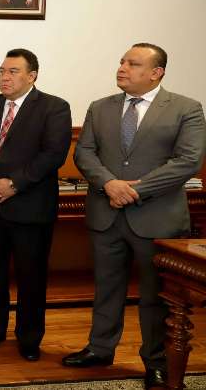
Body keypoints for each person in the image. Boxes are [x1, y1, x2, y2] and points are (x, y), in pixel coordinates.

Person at [63, 43, 206, 390]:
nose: (122, 67)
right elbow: (85, 154)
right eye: (122, 61)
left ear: (156, 73)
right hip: (106, 214)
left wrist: (136, 189)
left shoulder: (186, 108)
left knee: (157, 296)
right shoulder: (100, 108)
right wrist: (110, 184)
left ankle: (156, 362)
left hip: (157, 218)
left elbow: (188, 160)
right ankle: (99, 349)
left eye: (133, 63)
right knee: (106, 288)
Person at [0, 48, 71, 361]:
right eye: (1, 71)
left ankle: (29, 339)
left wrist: (14, 184)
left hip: (30, 207)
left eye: (12, 71)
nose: (4, 77)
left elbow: (53, 155)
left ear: (32, 76)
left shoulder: (53, 107)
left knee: (31, 278)